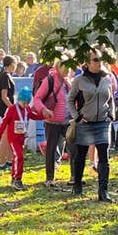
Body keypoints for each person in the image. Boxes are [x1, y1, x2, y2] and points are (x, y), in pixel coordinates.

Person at [67, 48, 115, 201]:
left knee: (104, 157)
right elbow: (70, 100)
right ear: (86, 63)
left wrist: (111, 114)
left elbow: (111, 99)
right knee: (80, 155)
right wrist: (77, 117)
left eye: (100, 59)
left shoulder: (107, 78)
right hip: (85, 123)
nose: (98, 62)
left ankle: (103, 191)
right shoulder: (79, 80)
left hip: (102, 122)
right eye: (95, 60)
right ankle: (77, 185)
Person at [0, 87, 44, 190]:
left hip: (22, 138)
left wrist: (44, 116)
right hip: (13, 138)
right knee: (19, 157)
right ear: (19, 100)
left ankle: (14, 178)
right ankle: (18, 179)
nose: (26, 105)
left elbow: (33, 116)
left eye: (27, 103)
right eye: (24, 103)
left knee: (16, 158)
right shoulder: (12, 109)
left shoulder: (27, 109)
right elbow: (4, 123)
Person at [33, 59, 71, 187]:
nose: (67, 70)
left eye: (69, 68)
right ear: (58, 67)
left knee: (74, 147)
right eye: (65, 67)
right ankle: (50, 178)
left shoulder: (68, 82)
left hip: (68, 121)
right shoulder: (49, 80)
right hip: (52, 121)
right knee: (51, 149)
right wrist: (44, 109)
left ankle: (74, 177)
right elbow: (37, 99)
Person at [0, 55, 18, 171]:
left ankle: (9, 160)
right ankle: (2, 162)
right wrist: (13, 108)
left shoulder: (6, 75)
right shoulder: (5, 76)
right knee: (5, 137)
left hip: (6, 108)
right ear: (11, 64)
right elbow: (4, 96)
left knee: (10, 136)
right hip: (6, 109)